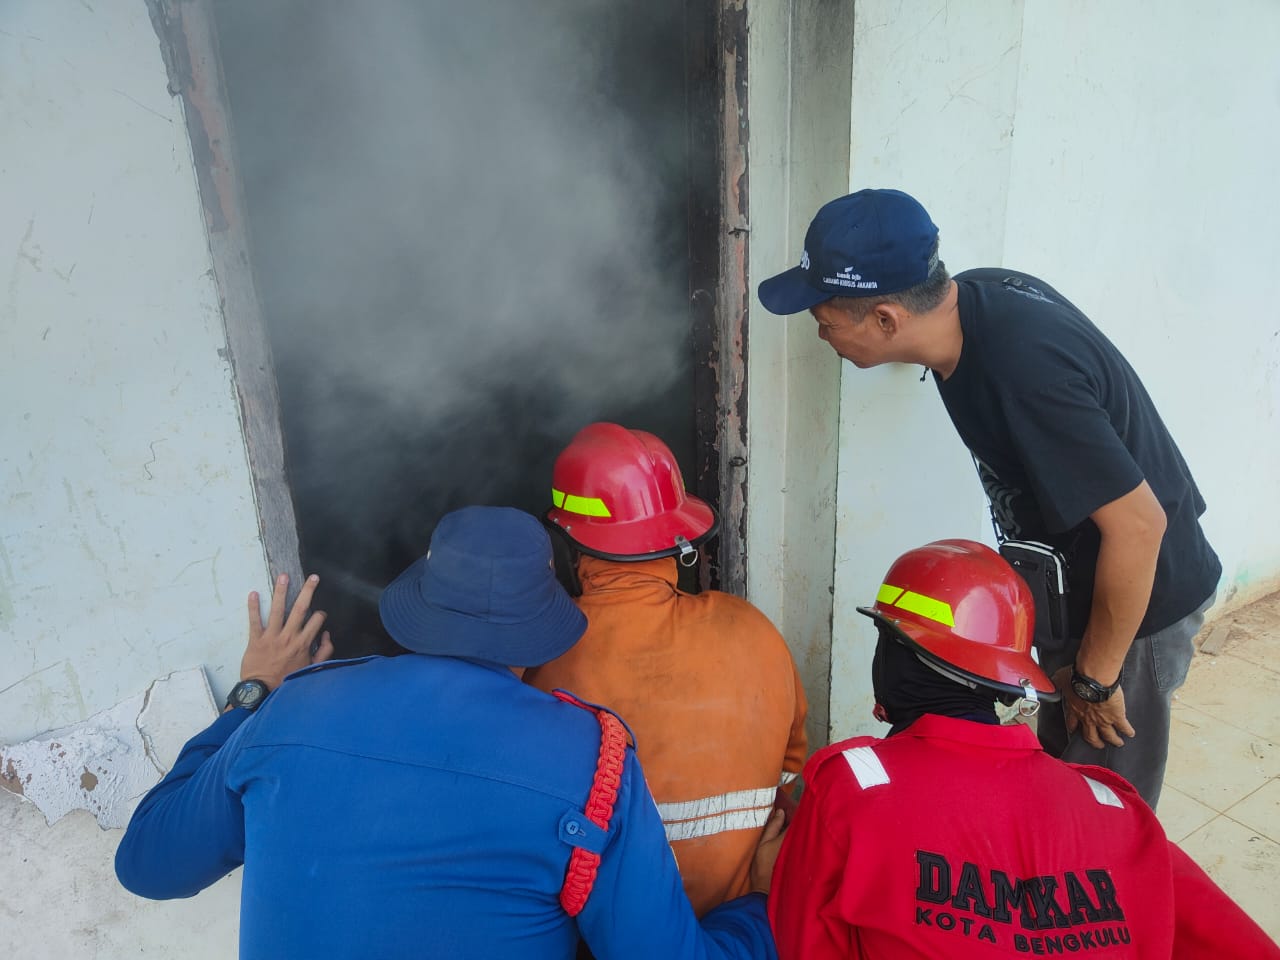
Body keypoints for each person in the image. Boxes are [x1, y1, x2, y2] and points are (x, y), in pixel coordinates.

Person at [114, 506, 782, 960]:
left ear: (422, 601)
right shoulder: (589, 756)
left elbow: (147, 866)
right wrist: (759, 906)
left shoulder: (290, 712)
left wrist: (250, 696)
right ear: (545, 624)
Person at [757, 188, 1221, 808]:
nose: (820, 333)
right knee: (1058, 771)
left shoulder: (1022, 371)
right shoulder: (971, 301)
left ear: (888, 320)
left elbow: (1139, 527)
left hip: (1134, 608)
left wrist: (1094, 676)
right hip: (1079, 591)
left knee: (1100, 807)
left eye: (825, 318)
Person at [768, 539, 1277, 959]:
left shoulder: (847, 791)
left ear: (897, 659)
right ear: (1005, 679)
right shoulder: (1122, 817)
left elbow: (803, 945)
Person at [523, 422, 808, 916]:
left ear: (567, 542)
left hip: (606, 938)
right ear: (677, 537)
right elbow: (788, 768)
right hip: (743, 926)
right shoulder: (753, 630)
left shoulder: (540, 656)